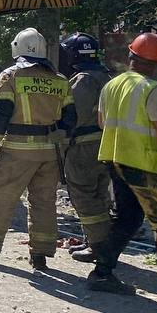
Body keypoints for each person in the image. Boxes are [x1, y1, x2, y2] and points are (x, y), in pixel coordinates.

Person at [85, 32, 157, 310]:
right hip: (146, 167)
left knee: (128, 218)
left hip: (115, 161)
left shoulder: (112, 85)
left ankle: (101, 273)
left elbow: (103, 123)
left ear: (131, 56)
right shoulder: (153, 90)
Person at [0, 28, 75, 270]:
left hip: (16, 151)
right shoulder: (60, 80)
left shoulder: (11, 76)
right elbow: (70, 120)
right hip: (50, 153)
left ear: (18, 48)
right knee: (43, 202)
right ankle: (40, 255)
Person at [58, 32, 114, 262]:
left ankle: (98, 247)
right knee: (100, 194)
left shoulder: (83, 80)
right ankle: (98, 241)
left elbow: (74, 115)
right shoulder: (107, 77)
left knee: (84, 195)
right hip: (106, 144)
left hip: (84, 147)